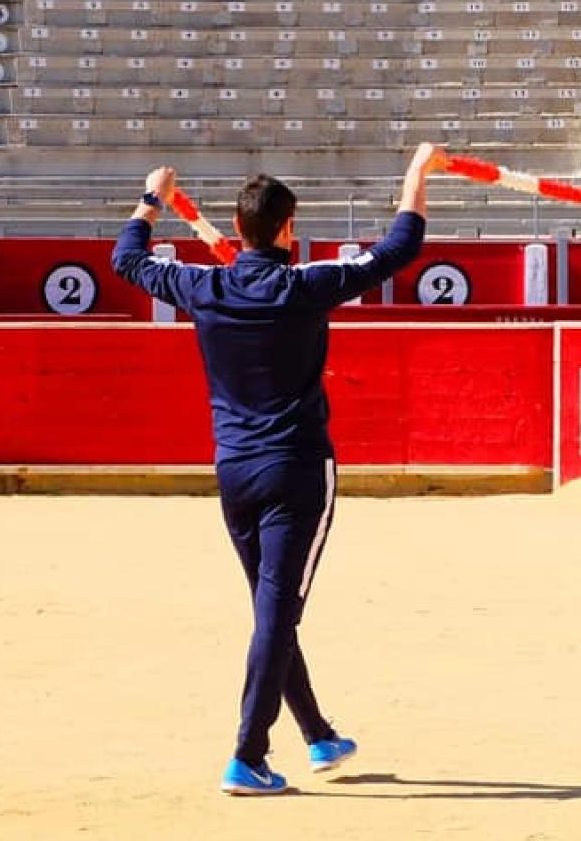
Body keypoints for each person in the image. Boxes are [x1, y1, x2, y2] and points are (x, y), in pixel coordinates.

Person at [112, 143, 447, 795]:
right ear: (289, 231)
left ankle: (319, 734)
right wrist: (415, 174)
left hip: (234, 471)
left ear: (237, 230)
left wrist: (153, 197)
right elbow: (398, 250)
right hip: (296, 469)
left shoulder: (201, 284)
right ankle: (248, 754)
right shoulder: (306, 285)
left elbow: (125, 258)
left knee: (273, 610)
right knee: (276, 614)